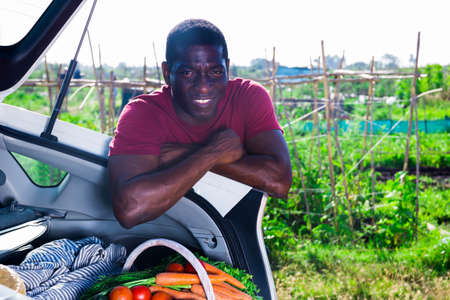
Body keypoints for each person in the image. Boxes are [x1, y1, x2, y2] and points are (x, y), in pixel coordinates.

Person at [108, 19, 292, 229]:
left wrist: (182, 154)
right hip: (155, 236)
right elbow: (130, 210)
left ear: (227, 68)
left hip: (233, 237)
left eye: (215, 72)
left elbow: (279, 182)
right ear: (167, 73)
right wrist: (212, 152)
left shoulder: (248, 97)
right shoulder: (143, 113)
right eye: (188, 73)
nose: (203, 87)